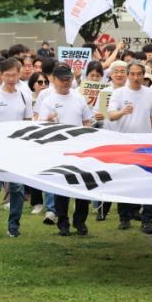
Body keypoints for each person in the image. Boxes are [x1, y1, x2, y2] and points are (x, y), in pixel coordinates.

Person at [38, 63, 93, 236]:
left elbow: (87, 122)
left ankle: (80, 221)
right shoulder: (48, 101)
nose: (66, 82)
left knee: (82, 185)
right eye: (62, 80)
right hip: (58, 149)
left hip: (79, 149)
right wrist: (48, 119)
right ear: (54, 80)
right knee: (62, 186)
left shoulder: (79, 98)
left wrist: (89, 139)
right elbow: (40, 126)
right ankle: (63, 221)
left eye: (69, 79)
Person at [0, 58, 33, 237]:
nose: (11, 79)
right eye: (7, 75)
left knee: (17, 188)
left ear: (19, 74)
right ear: (0, 75)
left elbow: (28, 123)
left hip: (16, 149)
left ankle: (14, 225)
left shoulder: (25, 96)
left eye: (14, 75)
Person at [108, 60, 152, 235]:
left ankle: (147, 220)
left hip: (146, 145)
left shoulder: (150, 94)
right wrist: (122, 111)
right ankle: (124, 217)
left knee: (148, 182)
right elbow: (111, 115)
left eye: (139, 74)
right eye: (132, 74)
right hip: (124, 144)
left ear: (144, 75)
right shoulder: (118, 93)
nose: (136, 78)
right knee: (124, 181)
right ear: (127, 75)